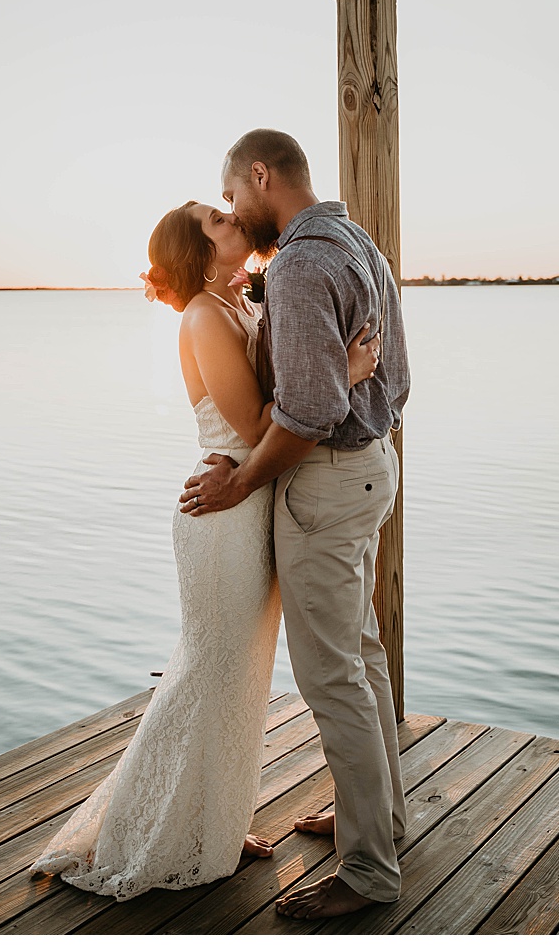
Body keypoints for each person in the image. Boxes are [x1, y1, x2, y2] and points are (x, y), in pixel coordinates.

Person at [30, 197, 379, 899]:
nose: (230, 219)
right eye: (213, 220)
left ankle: (210, 823)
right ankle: (153, 829)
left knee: (238, 675)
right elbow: (252, 424)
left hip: (249, 504)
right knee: (207, 672)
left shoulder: (239, 301)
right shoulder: (203, 315)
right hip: (222, 514)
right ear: (197, 248)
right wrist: (339, 374)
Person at [179, 128, 411, 921]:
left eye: (232, 198)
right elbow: (390, 375)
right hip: (373, 462)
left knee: (332, 676)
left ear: (257, 175)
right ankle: (379, 818)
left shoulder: (305, 262)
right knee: (365, 655)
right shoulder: (355, 241)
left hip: (328, 482)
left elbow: (309, 412)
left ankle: (370, 870)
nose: (236, 214)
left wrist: (240, 479)